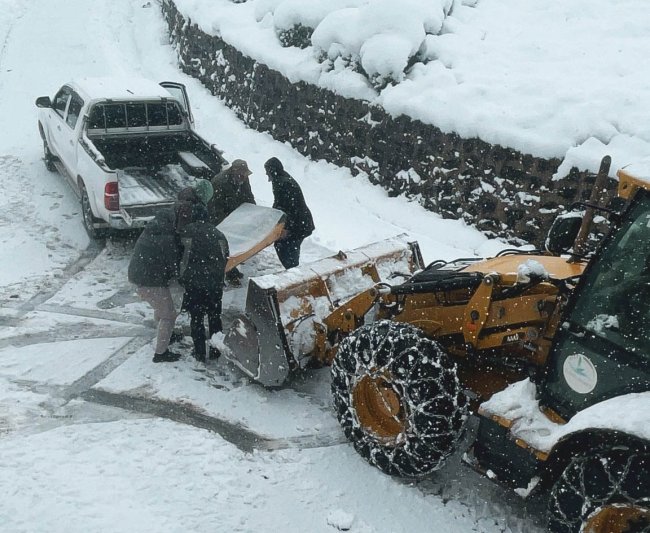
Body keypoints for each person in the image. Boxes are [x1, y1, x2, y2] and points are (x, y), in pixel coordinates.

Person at [128, 207, 182, 363]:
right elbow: (174, 266)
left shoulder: (151, 231)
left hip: (139, 276)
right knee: (169, 314)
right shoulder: (166, 237)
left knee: (161, 307)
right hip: (150, 281)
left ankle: (166, 334)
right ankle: (160, 353)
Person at [178, 203, 230, 362]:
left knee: (197, 318)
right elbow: (226, 257)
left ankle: (199, 352)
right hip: (214, 284)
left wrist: (182, 277)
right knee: (215, 317)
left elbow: (182, 258)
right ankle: (215, 350)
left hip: (194, 284)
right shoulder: (219, 234)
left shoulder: (186, 232)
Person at [208, 159, 256, 285]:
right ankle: (225, 274)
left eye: (245, 175)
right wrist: (229, 223)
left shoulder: (243, 178)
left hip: (235, 216)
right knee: (223, 247)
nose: (243, 178)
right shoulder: (219, 183)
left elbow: (248, 197)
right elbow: (215, 209)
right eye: (241, 175)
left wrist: (254, 213)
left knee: (234, 246)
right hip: (220, 219)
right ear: (233, 172)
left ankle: (231, 269)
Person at [264, 157, 315, 269]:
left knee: (286, 248)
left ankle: (294, 275)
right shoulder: (280, 179)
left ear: (273, 171)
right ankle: (293, 272)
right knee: (286, 247)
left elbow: (292, 209)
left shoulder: (284, 183)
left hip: (299, 224)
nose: (268, 177)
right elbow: (279, 203)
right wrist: (271, 216)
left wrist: (286, 228)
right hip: (300, 222)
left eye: (268, 173)